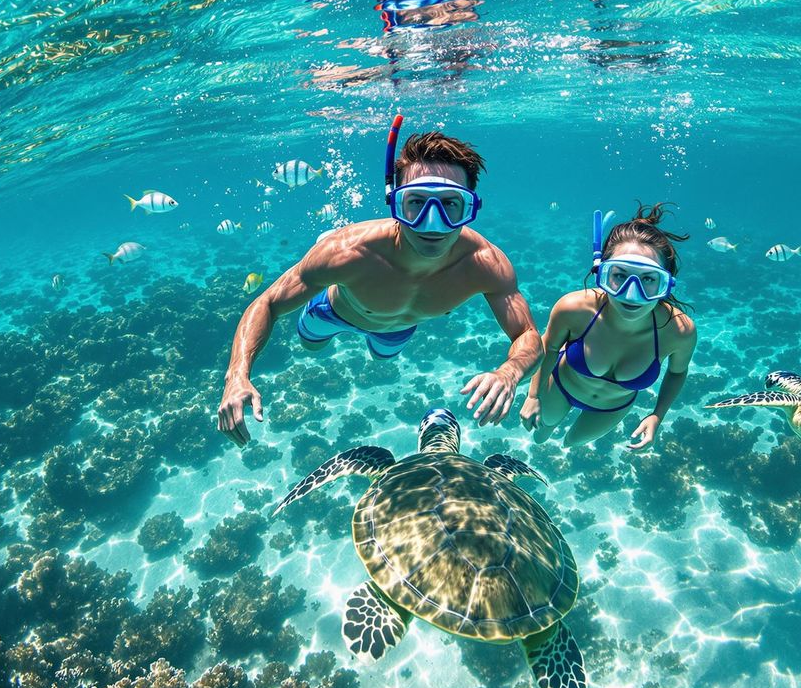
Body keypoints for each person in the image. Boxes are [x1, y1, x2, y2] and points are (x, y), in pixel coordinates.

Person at [217, 118, 542, 446]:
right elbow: (268, 302)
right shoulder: (346, 252)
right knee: (312, 346)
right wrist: (237, 375)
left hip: (397, 330)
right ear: (395, 203)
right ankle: (326, 307)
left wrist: (509, 373)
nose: (432, 222)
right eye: (416, 202)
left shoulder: (486, 265)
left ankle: (373, 334)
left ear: (470, 207)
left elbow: (528, 335)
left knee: (382, 358)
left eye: (449, 205)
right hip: (331, 312)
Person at [520, 204, 696, 449]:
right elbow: (548, 349)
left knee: (572, 444)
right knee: (541, 434)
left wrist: (657, 415)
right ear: (600, 273)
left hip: (611, 407)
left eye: (648, 279)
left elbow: (677, 372)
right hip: (560, 387)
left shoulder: (678, 331)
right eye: (619, 276)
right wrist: (533, 395)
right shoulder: (575, 308)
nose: (631, 294)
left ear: (666, 284)